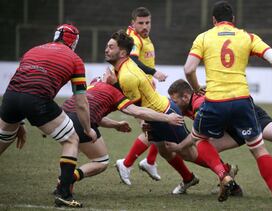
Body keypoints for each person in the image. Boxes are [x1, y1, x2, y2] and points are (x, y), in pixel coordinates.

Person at [183, 1, 272, 210]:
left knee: (199, 139)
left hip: (215, 101)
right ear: (233, 20)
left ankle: (222, 175)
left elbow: (189, 68)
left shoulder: (204, 37)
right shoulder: (247, 37)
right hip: (243, 101)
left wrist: (197, 87)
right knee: (258, 148)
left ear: (213, 20)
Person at [105, 30, 238, 201]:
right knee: (164, 150)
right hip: (155, 115)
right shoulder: (124, 66)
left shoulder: (127, 76)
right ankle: (189, 179)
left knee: (188, 152)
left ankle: (225, 171)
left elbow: (134, 106)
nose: (106, 50)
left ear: (122, 52)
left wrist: (114, 87)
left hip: (164, 114)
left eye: (110, 47)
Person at [0, 24, 97, 208]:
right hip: (37, 100)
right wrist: (87, 129)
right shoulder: (75, 59)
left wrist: (19, 122)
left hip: (10, 98)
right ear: (74, 41)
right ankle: (64, 194)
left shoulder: (33, 50)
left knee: (3, 140)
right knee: (71, 140)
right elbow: (81, 103)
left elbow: (20, 82)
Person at [52, 70, 184, 193]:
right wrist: (167, 118)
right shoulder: (116, 93)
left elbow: (95, 116)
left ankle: (64, 182)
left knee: (72, 149)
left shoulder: (95, 84)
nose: (107, 73)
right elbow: (138, 111)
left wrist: (116, 124)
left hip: (60, 117)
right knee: (101, 161)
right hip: (79, 120)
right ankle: (67, 180)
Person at [118, 7, 168, 184]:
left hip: (146, 88)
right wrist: (154, 73)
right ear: (133, 23)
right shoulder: (134, 39)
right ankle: (127, 163)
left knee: (159, 125)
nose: (145, 26)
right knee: (156, 125)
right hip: (137, 89)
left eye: (148, 22)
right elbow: (133, 60)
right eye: (141, 23)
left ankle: (149, 161)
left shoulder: (144, 36)